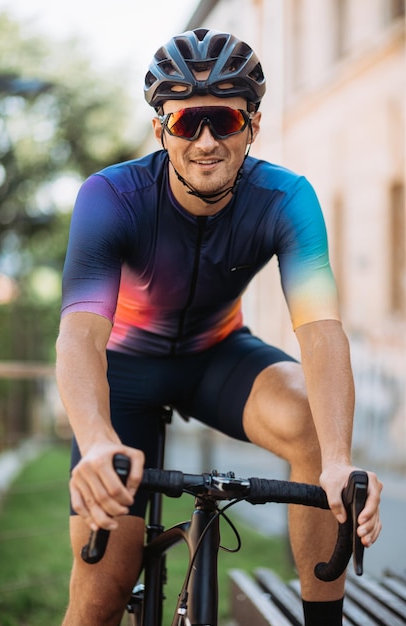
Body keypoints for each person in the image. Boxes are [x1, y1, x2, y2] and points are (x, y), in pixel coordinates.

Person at [56, 28, 382, 626]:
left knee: (310, 421)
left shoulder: (287, 198)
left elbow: (320, 331)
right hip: (122, 372)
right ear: (161, 129)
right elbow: (79, 334)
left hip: (216, 356)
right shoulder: (110, 196)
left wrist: (338, 459)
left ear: (252, 126)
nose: (206, 142)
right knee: (102, 590)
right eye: (186, 123)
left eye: (224, 121)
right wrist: (98, 441)